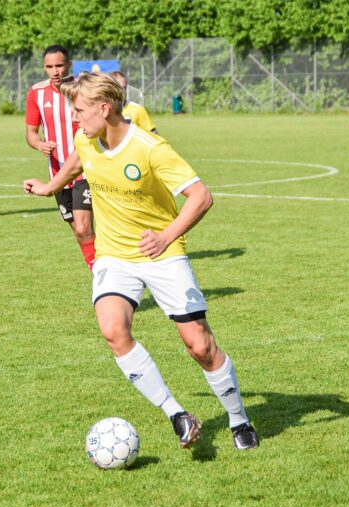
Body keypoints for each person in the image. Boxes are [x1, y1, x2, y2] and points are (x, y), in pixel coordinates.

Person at [23, 72, 258, 451]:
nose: (74, 118)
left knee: (199, 345)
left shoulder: (150, 148)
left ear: (104, 108)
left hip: (163, 255)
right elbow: (76, 162)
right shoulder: (87, 139)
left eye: (79, 110)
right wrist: (49, 187)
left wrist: (166, 236)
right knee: (113, 329)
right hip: (114, 255)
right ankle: (177, 414)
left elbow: (201, 196)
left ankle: (238, 418)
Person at [26, 45, 95, 270]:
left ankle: (104, 277)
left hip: (85, 168)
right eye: (50, 67)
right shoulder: (36, 92)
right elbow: (31, 133)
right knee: (78, 230)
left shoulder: (83, 89)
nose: (55, 71)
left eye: (59, 65)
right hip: (57, 173)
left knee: (84, 228)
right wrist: (40, 145)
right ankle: (100, 267)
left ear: (69, 64)